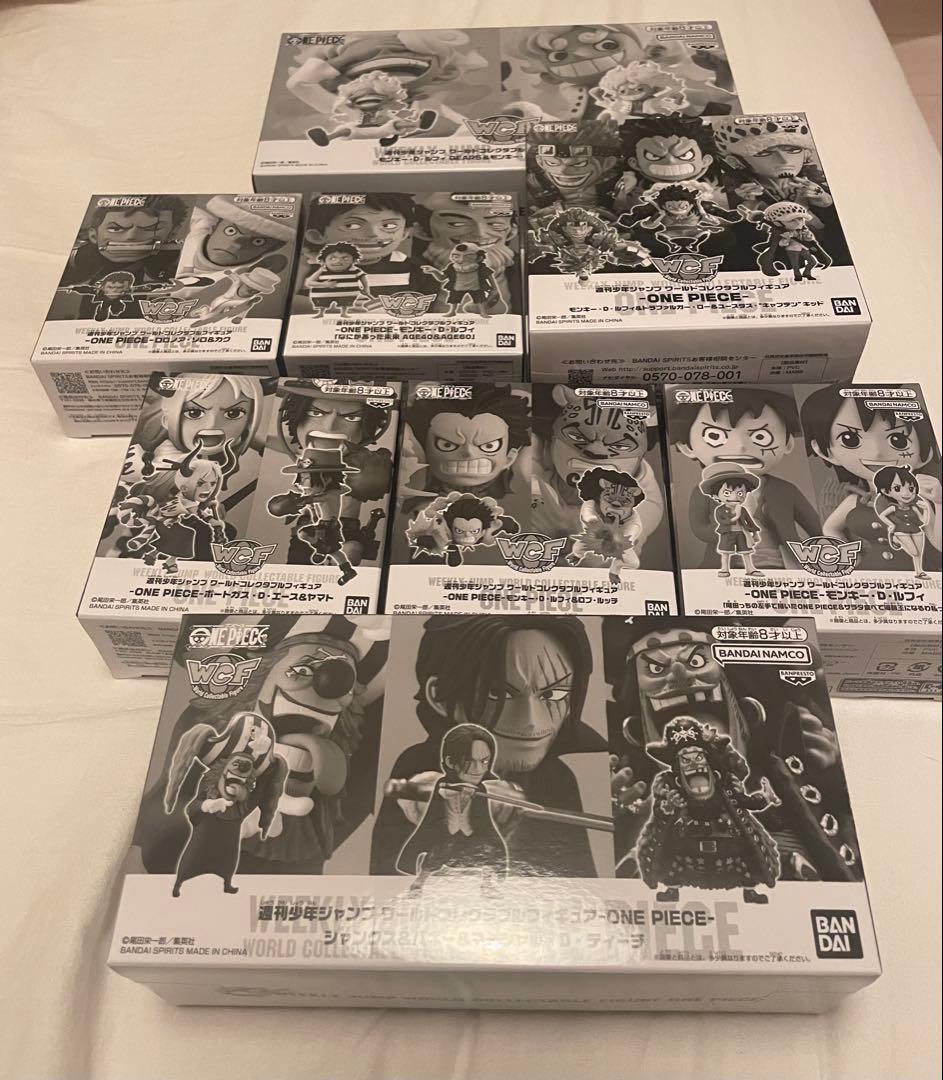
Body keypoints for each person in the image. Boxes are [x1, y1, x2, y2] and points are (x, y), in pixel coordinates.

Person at [371, 615, 607, 878]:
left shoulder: (556, 777)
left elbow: (578, 884)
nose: (531, 721)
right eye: (499, 693)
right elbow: (390, 879)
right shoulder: (418, 766)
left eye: (553, 694)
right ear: (438, 696)